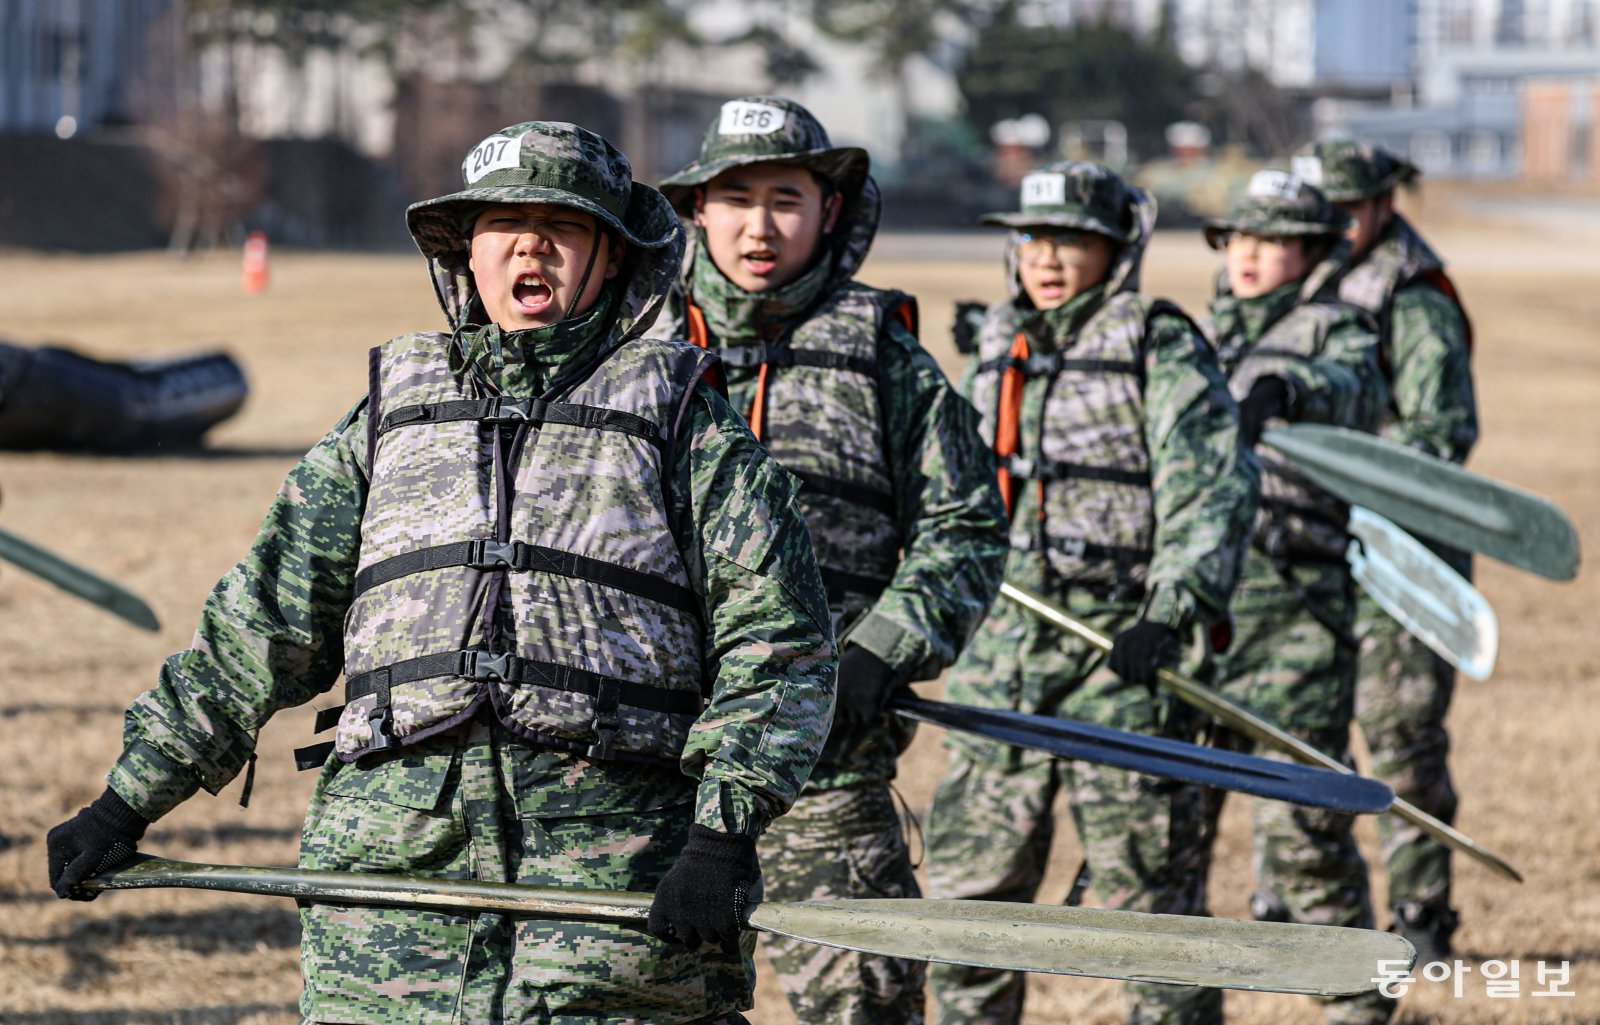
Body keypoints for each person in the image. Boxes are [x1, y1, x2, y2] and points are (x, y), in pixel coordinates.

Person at [45, 120, 838, 1025]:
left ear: (613, 256)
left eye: (563, 226)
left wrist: (720, 835)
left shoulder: (684, 422)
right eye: (506, 225)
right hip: (390, 904)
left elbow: (778, 645)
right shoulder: (390, 416)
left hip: (613, 900)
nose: (531, 246)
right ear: (467, 251)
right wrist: (125, 801)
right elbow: (260, 627)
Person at [649, 95, 1008, 1025]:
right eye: (737, 199)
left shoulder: (884, 355)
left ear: (830, 210)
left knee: (867, 1003)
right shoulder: (636, 343)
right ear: (697, 209)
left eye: (786, 199)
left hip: (828, 764)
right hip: (645, 771)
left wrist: (886, 644)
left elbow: (967, 525)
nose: (759, 226)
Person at [922, 160, 1259, 1025]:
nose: (1047, 256)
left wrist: (1168, 613)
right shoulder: (1000, 343)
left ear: (1117, 250)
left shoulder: (1158, 341)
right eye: (1034, 238)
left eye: (1072, 239)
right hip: (1002, 653)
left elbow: (1211, 489)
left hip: (1122, 657)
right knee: (968, 906)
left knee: (1151, 911)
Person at [1199, 169, 1393, 1025]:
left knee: (1304, 828)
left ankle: (1358, 1000)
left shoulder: (1337, 330)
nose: (1247, 254)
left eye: (1271, 240)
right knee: (1170, 831)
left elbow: (1359, 389)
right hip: (1200, 613)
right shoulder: (1199, 333)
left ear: (1314, 252)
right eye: (1238, 236)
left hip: (1295, 613)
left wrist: (1292, 390)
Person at [1293, 140, 1478, 963]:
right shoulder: (1299, 276)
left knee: (1402, 731)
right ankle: (1295, 899)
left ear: (1382, 205)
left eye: (1345, 210)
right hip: (1311, 542)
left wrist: (1338, 456)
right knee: (1302, 724)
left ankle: (1421, 909)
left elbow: (1443, 433)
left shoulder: (1414, 296)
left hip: (1403, 549)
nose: (1330, 226)